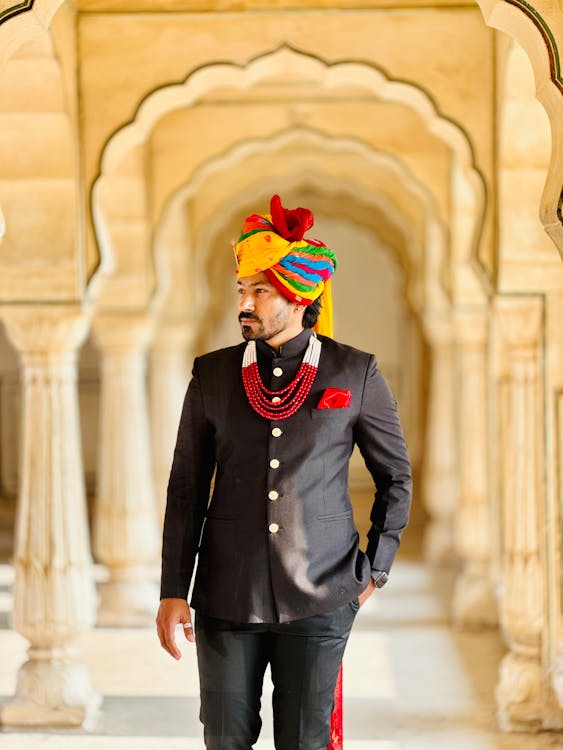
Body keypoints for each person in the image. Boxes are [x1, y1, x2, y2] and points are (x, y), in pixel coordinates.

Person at [156, 194, 412, 750]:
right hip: (226, 595)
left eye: (259, 290)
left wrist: (377, 570)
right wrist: (174, 587)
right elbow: (186, 488)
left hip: (323, 592)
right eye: (241, 290)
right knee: (225, 739)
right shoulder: (213, 375)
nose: (244, 303)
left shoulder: (354, 372)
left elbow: (395, 477)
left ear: (298, 297)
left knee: (303, 742)